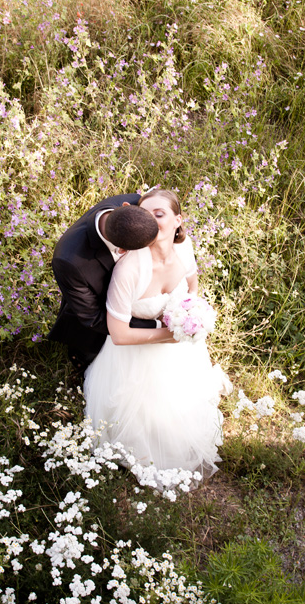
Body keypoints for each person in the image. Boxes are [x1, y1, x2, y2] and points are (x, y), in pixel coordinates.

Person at [83, 189, 227, 491]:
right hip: (135, 352)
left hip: (177, 346)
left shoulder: (184, 249)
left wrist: (189, 313)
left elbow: (191, 286)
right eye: (145, 215)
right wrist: (173, 335)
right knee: (143, 420)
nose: (151, 221)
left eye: (159, 214)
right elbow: (119, 335)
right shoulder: (130, 268)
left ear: (178, 220)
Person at [49, 193, 173, 373]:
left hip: (134, 297)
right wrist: (155, 324)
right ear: (123, 251)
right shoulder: (69, 261)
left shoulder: (134, 201)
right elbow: (92, 317)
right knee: (93, 360)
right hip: (98, 315)